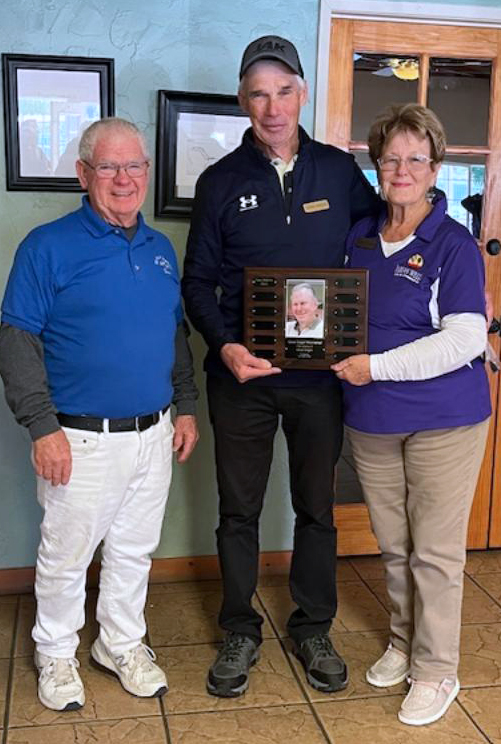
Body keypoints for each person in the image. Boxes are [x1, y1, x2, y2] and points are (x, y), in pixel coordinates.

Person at [182, 35, 379, 698]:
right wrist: (224, 346)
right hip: (241, 381)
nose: (272, 107)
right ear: (243, 101)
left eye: (284, 91)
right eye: (259, 94)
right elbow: (196, 282)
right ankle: (239, 629)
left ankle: (313, 626)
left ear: (303, 93)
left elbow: (383, 242)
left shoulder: (339, 172)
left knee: (316, 508)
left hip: (320, 381)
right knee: (237, 512)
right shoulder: (219, 182)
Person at [0, 117, 199, 712]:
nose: (123, 178)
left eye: (134, 165)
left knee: (134, 551)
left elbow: (174, 335)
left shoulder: (160, 250)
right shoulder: (47, 247)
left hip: (153, 433)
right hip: (78, 439)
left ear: (146, 171)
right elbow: (16, 342)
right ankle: (56, 651)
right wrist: (42, 428)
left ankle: (120, 643)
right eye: (108, 166)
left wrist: (186, 407)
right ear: (83, 174)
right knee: (66, 556)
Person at [332, 103, 491, 726]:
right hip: (371, 418)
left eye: (415, 159)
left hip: (443, 418)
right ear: (377, 166)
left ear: (435, 168)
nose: (402, 170)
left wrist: (376, 365)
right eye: (391, 158)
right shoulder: (359, 237)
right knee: (395, 547)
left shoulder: (453, 245)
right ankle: (404, 642)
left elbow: (464, 339)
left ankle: (436, 668)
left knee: (435, 552)